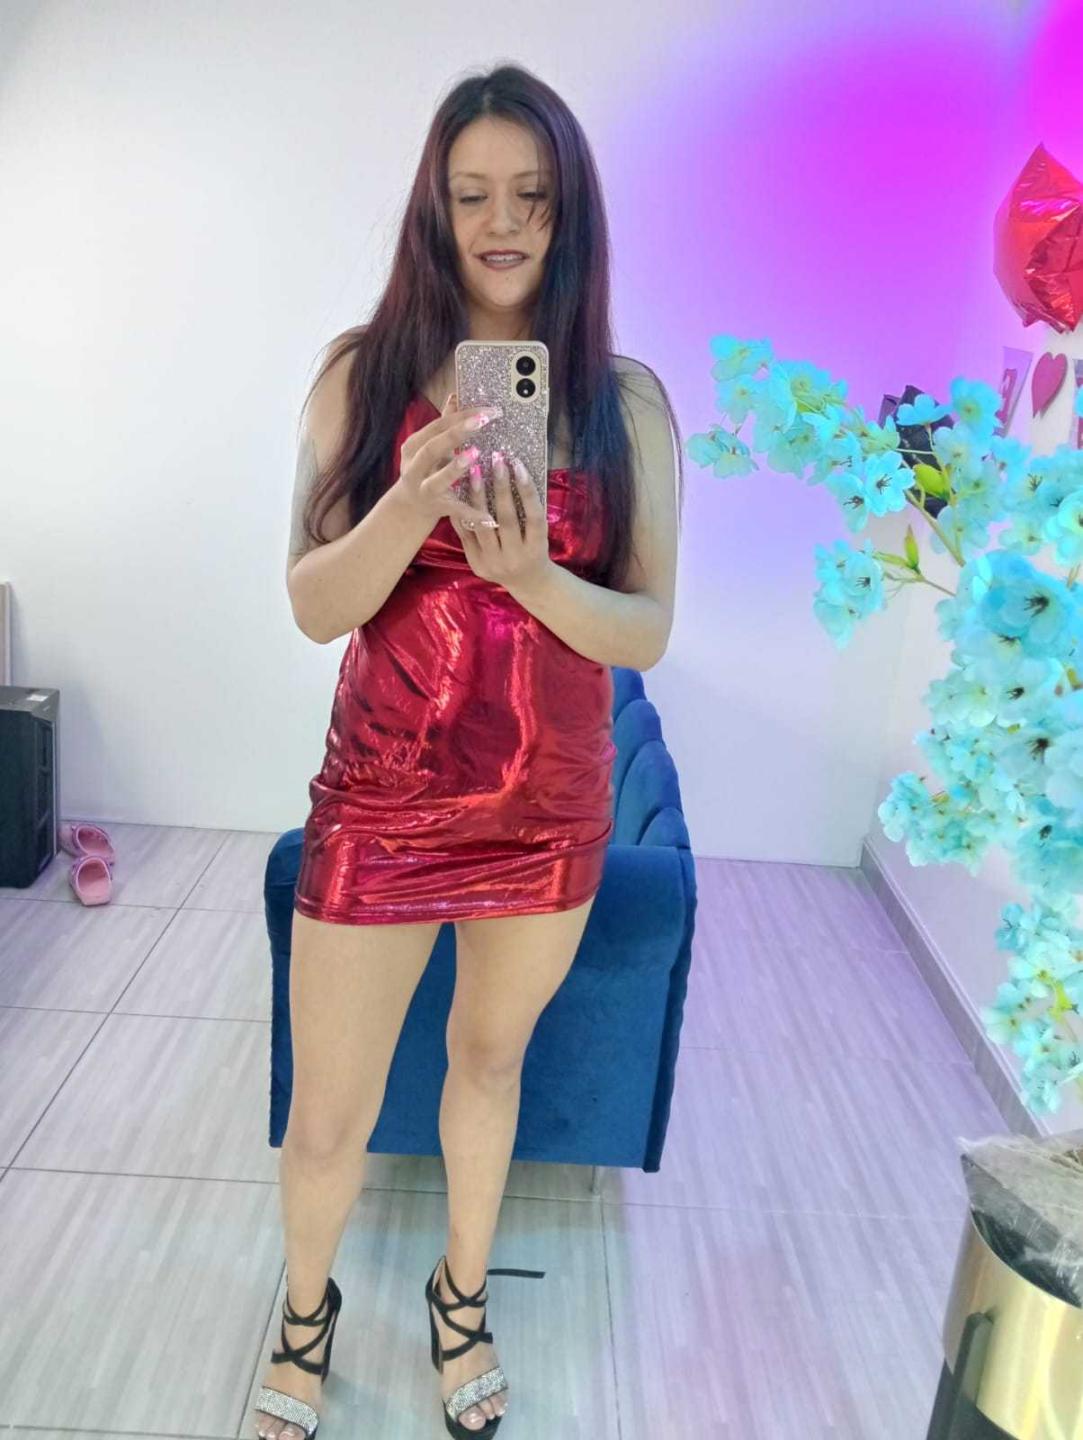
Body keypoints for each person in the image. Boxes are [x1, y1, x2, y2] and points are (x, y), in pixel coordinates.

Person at [255, 62, 682, 1440]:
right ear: (432, 210)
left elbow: (646, 627)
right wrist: (409, 500)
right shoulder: (361, 376)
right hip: (381, 798)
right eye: (472, 194)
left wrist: (533, 575)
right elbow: (315, 603)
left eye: (532, 196)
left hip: (546, 809)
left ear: (571, 214)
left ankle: (460, 1300)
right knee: (329, 1112)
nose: (502, 224)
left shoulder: (625, 404)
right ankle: (304, 1314)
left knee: (488, 1068)